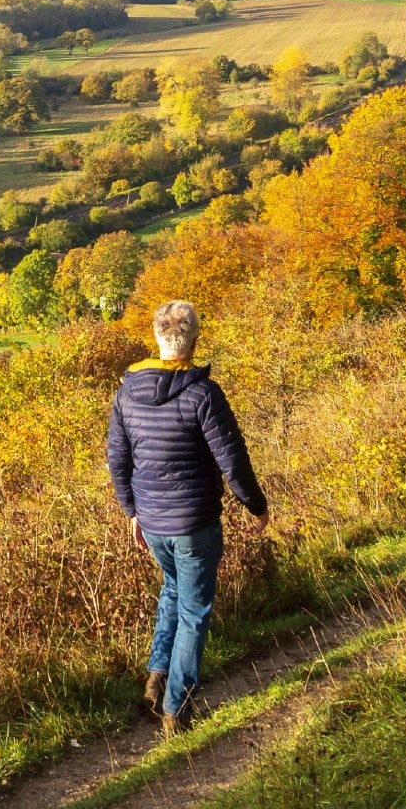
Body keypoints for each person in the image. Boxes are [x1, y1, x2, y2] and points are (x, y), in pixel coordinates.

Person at [105, 299, 268, 734]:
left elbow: (117, 459)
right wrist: (256, 504)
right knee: (195, 611)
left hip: (153, 521)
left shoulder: (127, 390)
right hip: (194, 522)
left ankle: (156, 679)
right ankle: (178, 709)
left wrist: (131, 511)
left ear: (158, 340)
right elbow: (232, 459)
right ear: (194, 340)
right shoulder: (203, 394)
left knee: (173, 589)